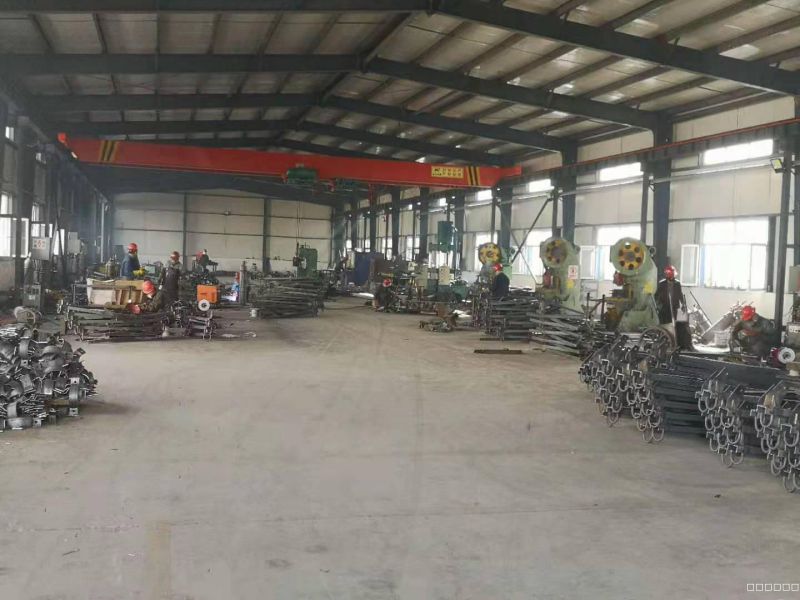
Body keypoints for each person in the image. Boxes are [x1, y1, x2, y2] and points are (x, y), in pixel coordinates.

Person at [655, 265, 693, 350]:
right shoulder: (662, 284)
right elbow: (656, 295)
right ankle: (665, 342)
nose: (671, 276)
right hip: (665, 308)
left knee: (676, 325)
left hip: (675, 307)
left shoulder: (677, 283)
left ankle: (678, 343)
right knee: (665, 325)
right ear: (666, 274)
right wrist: (658, 305)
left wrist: (683, 304)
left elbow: (680, 295)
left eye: (672, 274)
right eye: (669, 274)